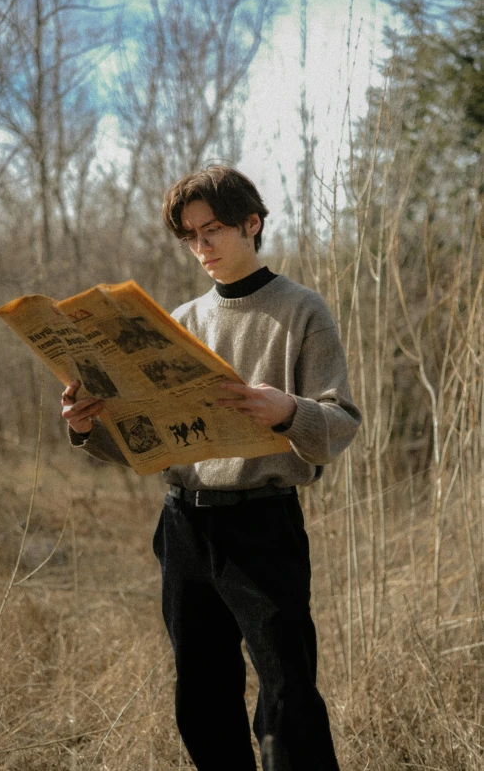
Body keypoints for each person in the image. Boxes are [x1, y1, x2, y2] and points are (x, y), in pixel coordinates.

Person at [61, 166, 362, 771]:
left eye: (213, 229)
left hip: (262, 526)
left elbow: (341, 422)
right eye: (190, 236)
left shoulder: (302, 309)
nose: (201, 247)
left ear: (252, 223)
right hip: (183, 529)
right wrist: (86, 425)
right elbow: (153, 443)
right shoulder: (179, 322)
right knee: (200, 697)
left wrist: (288, 411)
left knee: (287, 694)